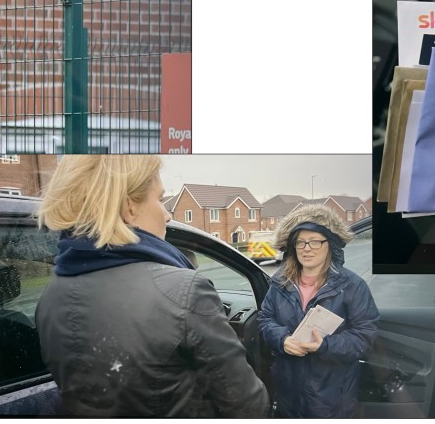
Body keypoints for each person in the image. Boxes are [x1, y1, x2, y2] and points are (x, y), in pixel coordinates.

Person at [34, 155, 269, 417]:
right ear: (129, 207)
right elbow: (248, 405)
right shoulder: (186, 291)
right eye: (159, 199)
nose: (168, 215)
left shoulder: (51, 295)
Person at [258, 204, 380, 418]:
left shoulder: (352, 285)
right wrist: (282, 340)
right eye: (301, 242)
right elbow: (265, 319)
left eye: (315, 241)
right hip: (288, 393)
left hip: (330, 400)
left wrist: (324, 345)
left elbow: (364, 336)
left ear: (330, 244)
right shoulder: (280, 282)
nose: (307, 248)